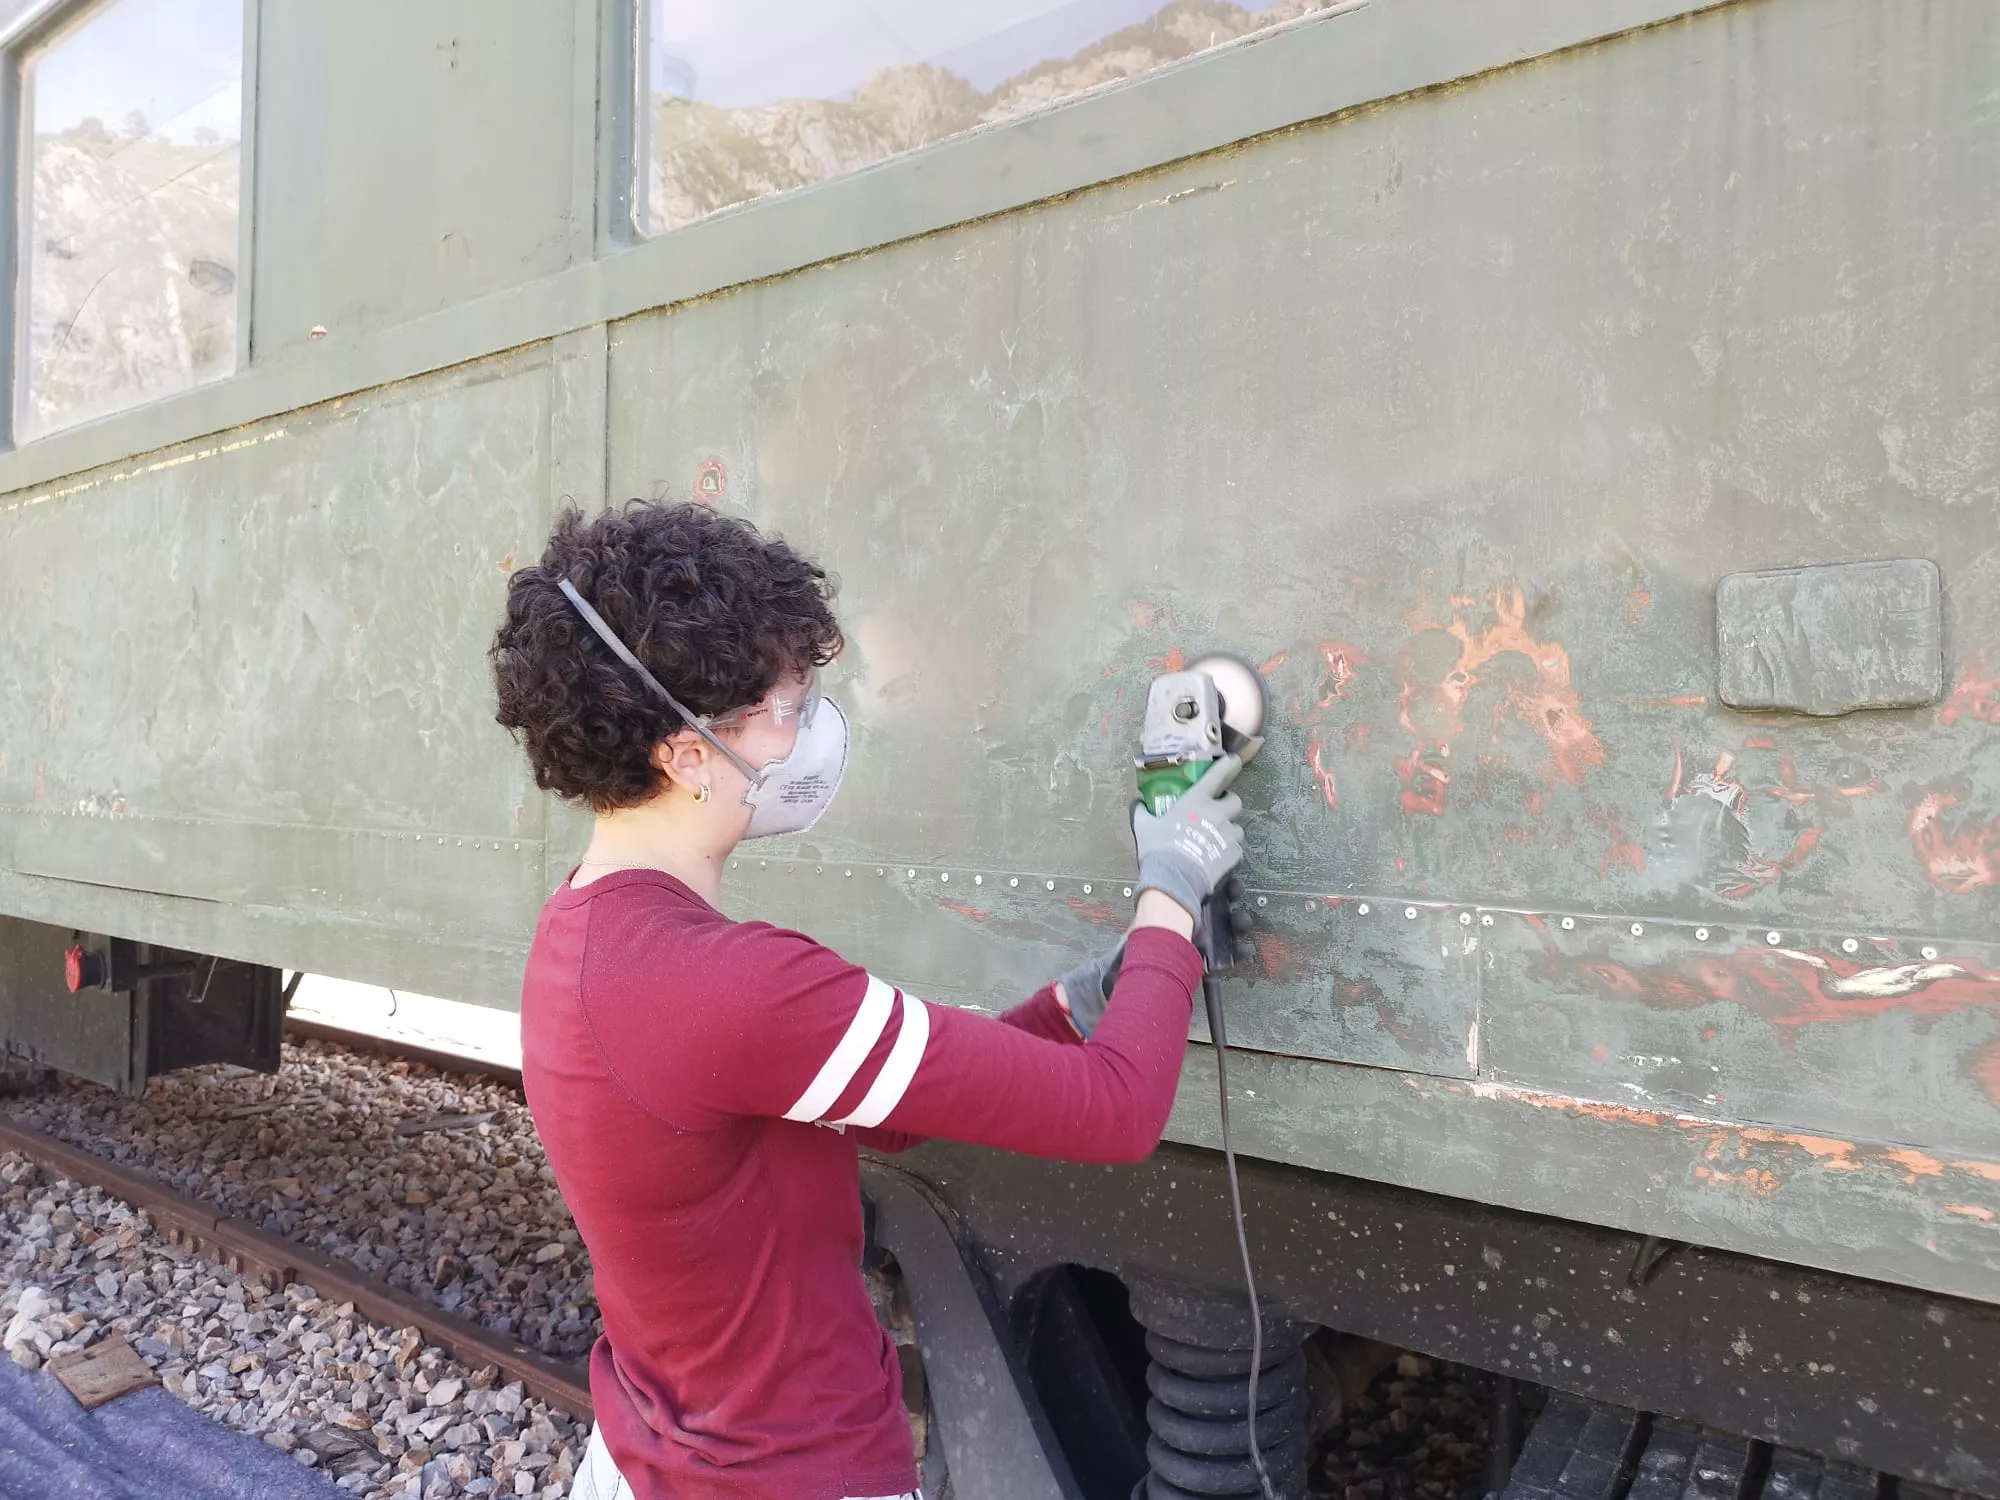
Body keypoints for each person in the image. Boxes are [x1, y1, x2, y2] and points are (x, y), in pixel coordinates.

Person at [490, 501, 1247, 1500]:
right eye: (786, 711)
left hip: (652, 1462)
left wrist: (1088, 994)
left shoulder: (580, 935)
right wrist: (1173, 886)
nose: (807, 737)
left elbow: (875, 1118)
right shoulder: (735, 989)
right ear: (682, 751)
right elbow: (1115, 1111)